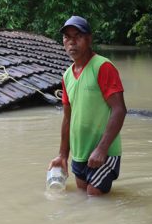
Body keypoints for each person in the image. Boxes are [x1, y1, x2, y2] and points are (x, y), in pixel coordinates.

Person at [49, 16, 127, 195]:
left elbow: (119, 110)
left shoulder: (103, 67)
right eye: (67, 37)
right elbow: (68, 118)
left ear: (89, 39)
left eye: (77, 36)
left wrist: (102, 149)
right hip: (80, 152)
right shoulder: (67, 75)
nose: (72, 42)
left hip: (104, 152)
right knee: (81, 196)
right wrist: (62, 155)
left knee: (93, 195)